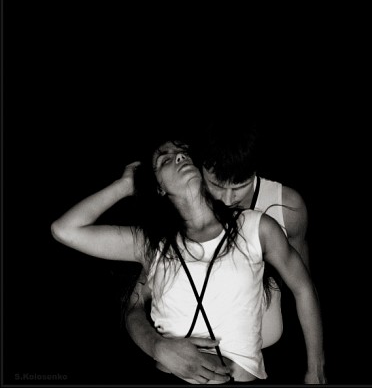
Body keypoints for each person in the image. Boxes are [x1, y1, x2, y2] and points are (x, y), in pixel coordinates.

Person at [51, 136, 326, 384]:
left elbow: (303, 288)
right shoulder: (151, 242)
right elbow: (65, 230)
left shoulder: (257, 226)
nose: (178, 157)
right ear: (158, 187)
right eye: (165, 160)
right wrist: (123, 186)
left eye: (184, 152)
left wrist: (315, 370)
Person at [124, 123, 311, 382]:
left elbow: (302, 286)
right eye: (216, 185)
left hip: (265, 358)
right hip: (189, 366)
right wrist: (156, 345)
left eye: (240, 187)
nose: (227, 198)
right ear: (201, 168)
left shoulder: (286, 207)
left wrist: (314, 364)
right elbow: (134, 304)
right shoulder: (182, 217)